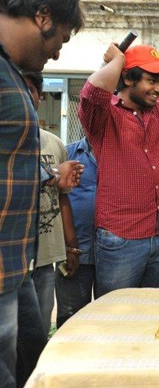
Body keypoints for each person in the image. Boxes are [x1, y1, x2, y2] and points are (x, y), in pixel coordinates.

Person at [78, 43, 159, 298]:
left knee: (157, 310)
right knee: (115, 312)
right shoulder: (104, 116)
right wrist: (117, 60)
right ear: (128, 78)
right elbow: (92, 92)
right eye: (152, 81)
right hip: (121, 237)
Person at [0, 0, 83, 386]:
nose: (58, 52)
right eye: (62, 39)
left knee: (34, 357)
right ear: (42, 16)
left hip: (16, 267)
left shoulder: (12, 73)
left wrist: (50, 176)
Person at [22, 72, 81, 337]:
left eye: (30, 89)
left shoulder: (54, 144)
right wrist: (54, 173)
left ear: (40, 96)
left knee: (39, 330)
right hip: (11, 260)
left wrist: (71, 246)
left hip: (45, 256)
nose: (24, 96)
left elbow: (63, 197)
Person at [55, 136, 97, 329]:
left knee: (109, 316)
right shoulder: (68, 154)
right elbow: (57, 198)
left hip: (115, 253)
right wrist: (68, 246)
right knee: (71, 318)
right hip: (74, 251)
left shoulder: (122, 156)